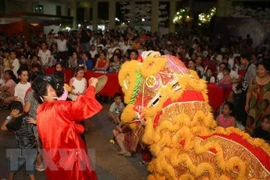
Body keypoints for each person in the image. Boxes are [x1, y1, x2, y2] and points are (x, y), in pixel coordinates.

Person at [31, 75, 102, 180]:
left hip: (53, 157)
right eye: (53, 88)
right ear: (50, 90)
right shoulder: (60, 107)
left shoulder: (40, 110)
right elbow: (82, 106)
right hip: (70, 155)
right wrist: (92, 86)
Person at [1, 101, 37, 180]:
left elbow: (3, 127)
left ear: (14, 111)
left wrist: (10, 116)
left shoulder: (16, 123)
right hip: (33, 148)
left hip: (22, 150)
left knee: (12, 166)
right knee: (30, 169)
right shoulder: (29, 117)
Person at [245, 61, 270, 135]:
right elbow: (249, 92)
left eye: (262, 69)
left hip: (266, 109)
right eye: (258, 69)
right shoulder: (253, 80)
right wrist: (247, 104)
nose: (259, 71)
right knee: (250, 125)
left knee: (263, 127)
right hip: (253, 107)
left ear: (267, 70)